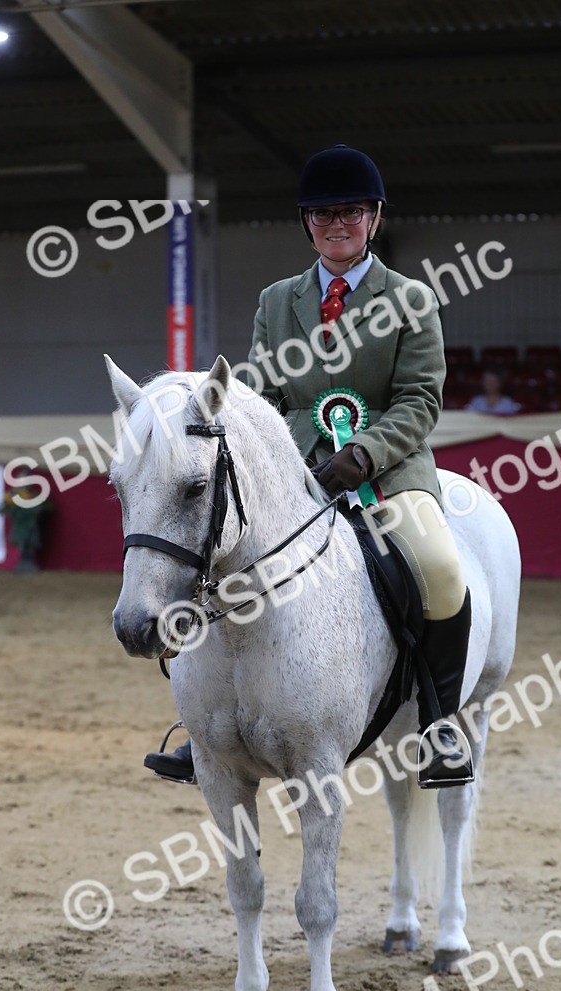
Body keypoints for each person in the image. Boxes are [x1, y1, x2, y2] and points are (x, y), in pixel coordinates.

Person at [146, 144, 475, 789]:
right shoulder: (277, 302)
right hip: (293, 474)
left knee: (439, 568)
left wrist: (365, 451)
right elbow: (262, 398)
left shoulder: (411, 300)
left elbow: (420, 400)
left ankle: (439, 722)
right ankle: (206, 727)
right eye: (323, 214)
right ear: (308, 223)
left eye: (350, 212)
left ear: (374, 218)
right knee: (217, 564)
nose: (336, 224)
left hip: (388, 469)